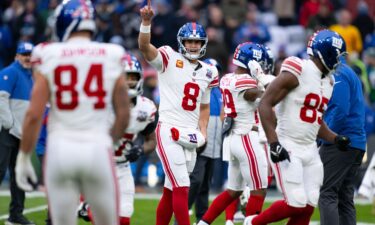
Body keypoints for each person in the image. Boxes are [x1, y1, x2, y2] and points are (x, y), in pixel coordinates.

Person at [14, 1, 130, 225]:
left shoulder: (48, 53)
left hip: (60, 150)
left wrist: (24, 155)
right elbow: (124, 113)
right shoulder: (111, 53)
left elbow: (34, 115)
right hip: (97, 147)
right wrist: (110, 141)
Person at [245, 29, 350, 225]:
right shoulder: (298, 68)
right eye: (337, 55)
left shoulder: (328, 81)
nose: (338, 61)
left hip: (310, 148)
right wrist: (274, 143)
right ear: (326, 52)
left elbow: (314, 121)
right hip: (287, 143)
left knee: (309, 204)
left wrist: (334, 138)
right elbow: (265, 103)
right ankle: (252, 223)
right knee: (296, 203)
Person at [138, 2, 219, 225]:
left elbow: (204, 106)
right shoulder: (168, 57)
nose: (193, 45)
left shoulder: (209, 72)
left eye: (197, 42)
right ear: (181, 42)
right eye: (189, 41)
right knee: (183, 186)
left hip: (190, 134)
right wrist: (146, 24)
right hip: (169, 129)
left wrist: (203, 130)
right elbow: (145, 48)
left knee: (170, 190)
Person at [77, 53, 157, 225]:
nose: (128, 81)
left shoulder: (146, 108)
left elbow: (152, 140)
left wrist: (141, 149)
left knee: (124, 218)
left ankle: (85, 205)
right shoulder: (101, 103)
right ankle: (85, 202)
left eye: (132, 77)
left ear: (140, 79)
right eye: (124, 77)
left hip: (122, 167)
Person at [197, 42, 269, 225]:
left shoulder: (227, 78)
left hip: (233, 138)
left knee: (233, 190)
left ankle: (202, 223)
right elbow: (263, 93)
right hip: (247, 137)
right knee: (258, 189)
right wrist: (260, 77)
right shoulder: (246, 81)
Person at [319, 58, 366, 225]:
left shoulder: (337, 72)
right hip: (355, 142)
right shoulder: (347, 71)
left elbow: (340, 109)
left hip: (341, 141)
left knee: (327, 193)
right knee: (344, 197)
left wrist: (326, 136)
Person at [0, 41, 35, 225]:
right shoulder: (10, 72)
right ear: (17, 56)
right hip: (6, 132)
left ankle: (16, 215)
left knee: (18, 176)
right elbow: (1, 98)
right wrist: (9, 123)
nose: (28, 58)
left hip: (20, 133)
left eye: (30, 55)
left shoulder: (31, 77)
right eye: (24, 54)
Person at [185, 58, 223, 223]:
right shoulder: (199, 88)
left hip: (215, 142)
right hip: (202, 139)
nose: (215, 72)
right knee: (196, 179)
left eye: (217, 69)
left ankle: (201, 217)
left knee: (206, 183)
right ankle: (183, 210)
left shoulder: (220, 91)